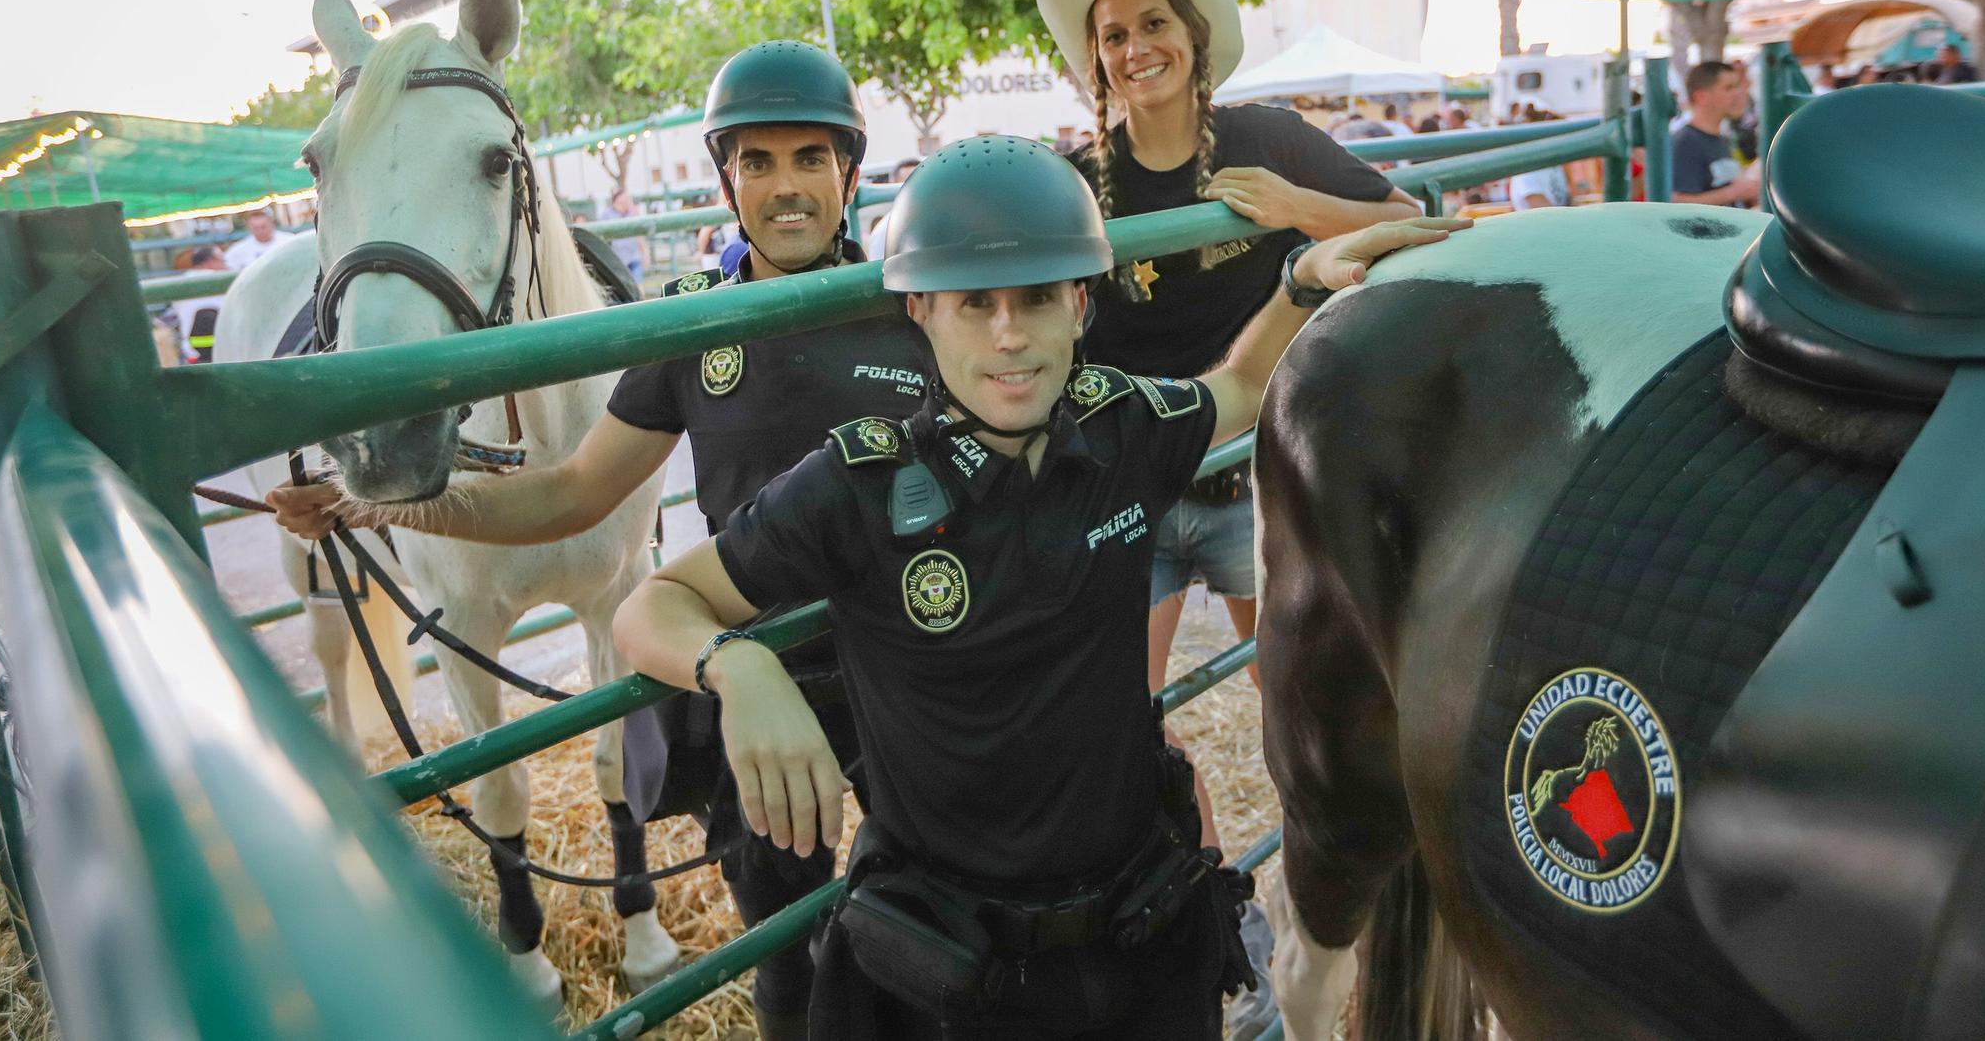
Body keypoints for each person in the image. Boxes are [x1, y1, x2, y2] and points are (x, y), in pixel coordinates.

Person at [611, 138, 1466, 1039]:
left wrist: (1302, 279)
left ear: (1081, 305)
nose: (1010, 334)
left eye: (1039, 298)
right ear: (921, 312)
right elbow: (651, 607)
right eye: (974, 303)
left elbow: (1241, 384)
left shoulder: (1123, 424)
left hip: (1140, 943)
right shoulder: (856, 484)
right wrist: (737, 667)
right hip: (955, 973)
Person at [266, 40, 925, 1041]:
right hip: (765, 685)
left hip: (909, 677)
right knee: (784, 955)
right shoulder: (681, 331)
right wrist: (385, 508)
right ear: (726, 178)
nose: (784, 188)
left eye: (808, 159)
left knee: (920, 932)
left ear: (848, 170)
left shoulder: (913, 309)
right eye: (755, 161)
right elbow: (571, 493)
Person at [1032, 0, 1421, 1028]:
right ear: (1093, 59)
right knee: (1125, 718)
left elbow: (1411, 223)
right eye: (1111, 33)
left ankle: (1336, 912)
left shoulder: (1266, 138)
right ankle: (1225, 905)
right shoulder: (1072, 185)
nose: (1133, 46)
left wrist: (1297, 212)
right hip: (1134, 493)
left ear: (1192, 39)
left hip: (1266, 483)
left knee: (1308, 702)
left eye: (1152, 22)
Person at [1670, 60, 1760, 207]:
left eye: (1738, 87)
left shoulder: (1722, 139)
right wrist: (1735, 192)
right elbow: (1677, 202)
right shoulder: (1685, 142)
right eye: (1729, 88)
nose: (1739, 94)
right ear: (1701, 97)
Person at [168, 244, 228, 363]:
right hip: (225, 350)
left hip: (190, 352)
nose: (225, 265)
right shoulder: (222, 281)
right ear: (210, 262)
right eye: (222, 260)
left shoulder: (177, 284)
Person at [862, 156, 921, 258]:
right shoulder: (884, 232)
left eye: (920, 181)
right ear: (893, 187)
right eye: (907, 183)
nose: (916, 189)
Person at [600, 186, 647, 287]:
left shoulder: (633, 212)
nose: (628, 200)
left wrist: (644, 253)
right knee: (623, 289)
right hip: (618, 259)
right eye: (625, 197)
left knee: (639, 288)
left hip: (634, 257)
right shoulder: (606, 215)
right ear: (617, 199)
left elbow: (639, 235)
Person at [222, 207, 292, 270]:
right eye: (256, 228)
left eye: (263, 227)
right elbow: (226, 265)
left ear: (271, 224)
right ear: (249, 228)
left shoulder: (288, 240)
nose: (260, 231)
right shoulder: (240, 248)